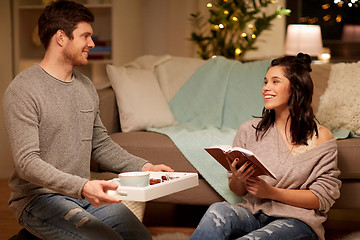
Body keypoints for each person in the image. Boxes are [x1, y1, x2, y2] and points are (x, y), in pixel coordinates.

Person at [3, 1, 173, 239]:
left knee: (140, 237)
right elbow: (27, 163)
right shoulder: (24, 89)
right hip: (39, 199)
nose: (92, 44)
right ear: (61, 37)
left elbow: (100, 143)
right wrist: (82, 187)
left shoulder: (85, 86)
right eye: (86, 36)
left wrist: (144, 167)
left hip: (81, 196)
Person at [189, 53, 341, 240]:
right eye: (265, 82)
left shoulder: (321, 137)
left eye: (275, 82)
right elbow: (237, 190)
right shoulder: (249, 130)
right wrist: (238, 178)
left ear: (296, 87)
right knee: (218, 210)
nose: (265, 88)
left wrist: (271, 193)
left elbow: (322, 198)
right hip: (251, 214)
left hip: (296, 221)